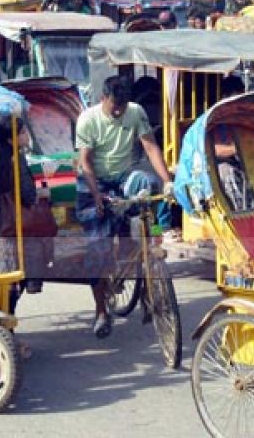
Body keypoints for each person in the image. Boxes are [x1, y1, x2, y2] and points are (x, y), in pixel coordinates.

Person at [76, 76, 173, 339]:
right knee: (98, 249)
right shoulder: (88, 120)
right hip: (93, 180)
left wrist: (168, 182)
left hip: (123, 176)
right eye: (113, 106)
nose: (118, 112)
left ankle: (155, 240)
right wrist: (97, 196)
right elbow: (85, 161)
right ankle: (101, 312)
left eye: (122, 106)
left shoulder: (136, 113)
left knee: (148, 189)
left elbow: (151, 147)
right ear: (102, 99)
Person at [0, 117, 54, 306]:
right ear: (11, 138)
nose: (27, 136)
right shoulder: (17, 159)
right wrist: (44, 192)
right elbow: (28, 195)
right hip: (17, 228)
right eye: (23, 132)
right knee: (16, 283)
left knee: (3, 284)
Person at [212, 76, 254, 211]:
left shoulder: (249, 117)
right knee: (227, 171)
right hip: (227, 166)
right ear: (225, 97)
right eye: (236, 98)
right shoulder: (216, 120)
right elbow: (211, 149)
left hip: (251, 164)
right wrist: (237, 149)